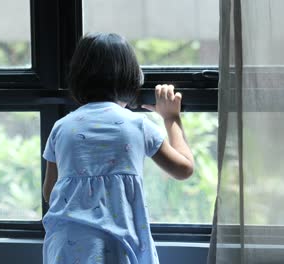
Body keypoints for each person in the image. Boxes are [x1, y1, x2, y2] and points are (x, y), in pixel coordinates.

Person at [42, 33, 194, 264]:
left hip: (66, 245)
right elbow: (184, 169)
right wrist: (171, 118)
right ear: (131, 80)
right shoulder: (137, 125)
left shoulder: (61, 128)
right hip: (119, 242)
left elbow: (50, 191)